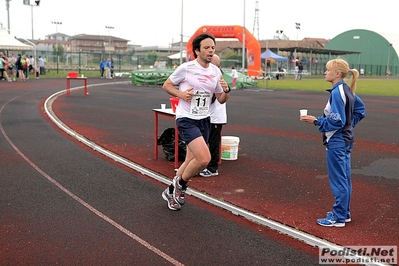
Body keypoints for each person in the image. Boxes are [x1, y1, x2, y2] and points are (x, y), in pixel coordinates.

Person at [161, 33, 230, 211]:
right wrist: (181, 95)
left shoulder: (215, 71)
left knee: (190, 160)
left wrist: (227, 90)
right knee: (204, 159)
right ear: (197, 50)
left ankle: (171, 190)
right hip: (186, 119)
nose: (210, 50)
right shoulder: (186, 68)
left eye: (213, 47)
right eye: (206, 47)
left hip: (204, 119)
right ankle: (181, 186)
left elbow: (221, 99)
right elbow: (167, 85)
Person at [300, 58, 366, 227]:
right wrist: (349, 126)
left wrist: (316, 121)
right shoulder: (346, 90)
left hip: (337, 142)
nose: (325, 72)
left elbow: (337, 121)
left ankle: (338, 218)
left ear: (337, 73)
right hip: (344, 140)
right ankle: (344, 214)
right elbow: (360, 110)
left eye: (328, 70)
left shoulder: (338, 92)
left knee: (339, 180)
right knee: (344, 179)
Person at [199, 54, 229, 177]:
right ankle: (195, 165)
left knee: (213, 143)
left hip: (215, 116)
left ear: (217, 65)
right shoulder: (208, 76)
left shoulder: (219, 78)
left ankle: (212, 168)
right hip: (206, 115)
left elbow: (215, 97)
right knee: (201, 141)